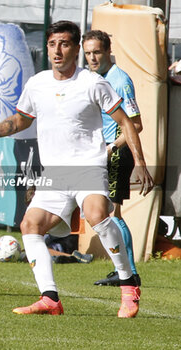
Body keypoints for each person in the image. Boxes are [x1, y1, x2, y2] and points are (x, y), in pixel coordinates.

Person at [0, 20, 154, 318]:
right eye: (51, 44)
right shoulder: (38, 84)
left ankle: (129, 284)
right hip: (55, 174)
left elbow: (127, 121)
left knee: (99, 214)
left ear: (75, 48)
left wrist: (140, 163)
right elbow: (21, 120)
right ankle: (50, 299)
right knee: (30, 225)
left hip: (88, 166)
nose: (57, 50)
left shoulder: (93, 83)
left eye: (63, 44)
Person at [82, 30, 142, 287]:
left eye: (97, 52)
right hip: (99, 153)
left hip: (116, 154)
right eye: (88, 53)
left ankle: (129, 272)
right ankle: (123, 270)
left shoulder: (120, 80)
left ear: (108, 52)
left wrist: (110, 148)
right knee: (105, 213)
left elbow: (136, 124)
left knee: (114, 213)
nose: (92, 58)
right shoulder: (94, 78)